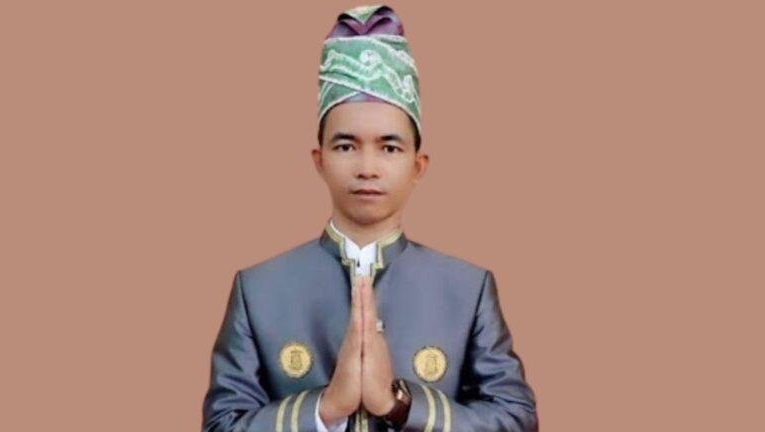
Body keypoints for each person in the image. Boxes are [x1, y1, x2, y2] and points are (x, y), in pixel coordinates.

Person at [201, 4, 538, 431]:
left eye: (389, 147)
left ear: (418, 165)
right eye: (346, 146)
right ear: (319, 160)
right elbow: (221, 424)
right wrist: (326, 407)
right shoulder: (258, 289)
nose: (367, 167)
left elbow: (518, 420)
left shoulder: (467, 289)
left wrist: (397, 405)